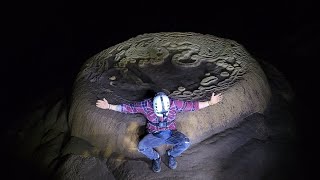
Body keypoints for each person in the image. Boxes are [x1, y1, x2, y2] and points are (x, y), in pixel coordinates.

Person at [96, 91, 223, 173]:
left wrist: (209, 103)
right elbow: (129, 108)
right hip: (154, 134)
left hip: (171, 133)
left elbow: (193, 106)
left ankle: (171, 154)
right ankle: (156, 157)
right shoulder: (147, 105)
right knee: (141, 146)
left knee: (185, 142)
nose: (162, 116)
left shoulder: (174, 104)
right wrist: (109, 106)